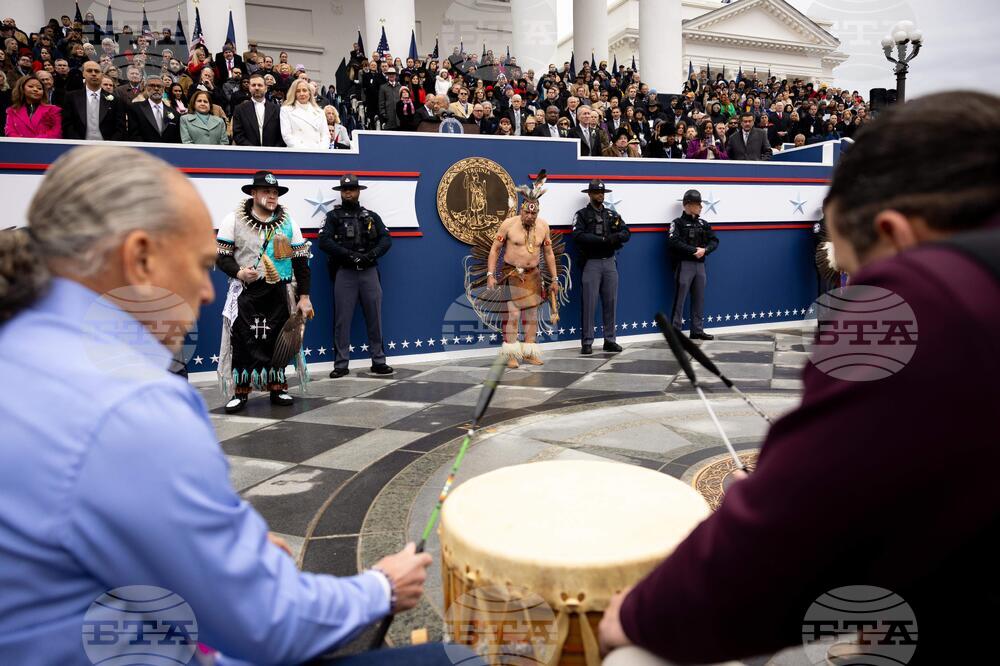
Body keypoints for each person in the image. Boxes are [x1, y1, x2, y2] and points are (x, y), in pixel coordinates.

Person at [0, 145, 478, 666]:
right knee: (455, 659)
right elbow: (268, 625)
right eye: (200, 265)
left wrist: (220, 551)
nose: (206, 294)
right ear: (139, 258)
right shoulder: (133, 404)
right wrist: (381, 588)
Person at [599, 91, 1000, 666]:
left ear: (896, 234)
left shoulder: (920, 300)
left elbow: (773, 557)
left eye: (858, 269)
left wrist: (637, 614)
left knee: (635, 658)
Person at [215, 171, 313, 413]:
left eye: (275, 192)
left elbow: (301, 262)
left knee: (278, 340)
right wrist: (238, 273)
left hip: (280, 292)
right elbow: (221, 257)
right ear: (253, 193)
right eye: (267, 192)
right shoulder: (234, 219)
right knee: (243, 341)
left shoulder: (289, 222)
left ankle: (278, 387)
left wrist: (304, 297)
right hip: (246, 293)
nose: (272, 196)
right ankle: (240, 392)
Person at [480, 174, 564, 368]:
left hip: (533, 274)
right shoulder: (508, 225)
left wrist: (554, 278)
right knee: (514, 315)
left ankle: (529, 352)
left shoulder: (543, 226)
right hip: (512, 274)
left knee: (533, 315)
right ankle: (510, 353)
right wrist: (490, 275)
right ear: (522, 209)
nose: (530, 217)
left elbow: (549, 253)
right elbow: (494, 250)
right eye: (527, 213)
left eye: (534, 214)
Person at [318, 174, 394, 378]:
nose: (348, 192)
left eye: (351, 189)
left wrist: (370, 256)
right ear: (341, 192)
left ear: (358, 191)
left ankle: (379, 361)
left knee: (375, 317)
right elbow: (324, 241)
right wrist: (350, 256)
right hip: (345, 272)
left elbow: (386, 240)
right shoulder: (333, 217)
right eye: (345, 190)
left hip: (369, 271)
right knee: (342, 319)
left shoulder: (372, 215)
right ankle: (341, 364)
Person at [572, 180, 630, 355]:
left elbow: (626, 232)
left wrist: (615, 238)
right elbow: (578, 235)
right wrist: (602, 240)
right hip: (592, 262)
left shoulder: (612, 214)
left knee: (610, 302)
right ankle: (587, 342)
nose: (600, 195)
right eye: (597, 192)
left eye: (602, 192)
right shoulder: (581, 214)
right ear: (589, 194)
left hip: (610, 262)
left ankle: (609, 340)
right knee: (589, 303)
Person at [668, 189, 719, 340]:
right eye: (698, 204)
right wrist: (693, 251)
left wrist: (705, 250)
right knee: (680, 298)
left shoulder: (703, 224)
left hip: (700, 266)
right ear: (688, 205)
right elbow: (673, 242)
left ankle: (697, 330)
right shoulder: (677, 223)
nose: (701, 207)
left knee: (699, 298)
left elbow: (715, 241)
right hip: (684, 264)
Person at [62, 60, 125, 140]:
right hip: (79, 146)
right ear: (83, 74)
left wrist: (109, 145)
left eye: (97, 71)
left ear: (102, 75)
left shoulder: (116, 100)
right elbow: (67, 125)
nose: (93, 73)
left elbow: (120, 128)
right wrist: (78, 144)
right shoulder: (71, 97)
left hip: (108, 147)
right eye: (89, 71)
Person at [232, 72, 284, 147]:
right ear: (249, 88)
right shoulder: (239, 109)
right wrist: (254, 151)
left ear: (266, 88)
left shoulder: (277, 109)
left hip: (272, 154)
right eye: (253, 85)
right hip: (249, 154)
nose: (256, 88)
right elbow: (238, 135)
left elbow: (282, 134)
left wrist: (273, 151)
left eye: (260, 85)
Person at [4, 72, 61, 138]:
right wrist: (23, 143)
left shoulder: (53, 110)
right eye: (31, 86)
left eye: (39, 88)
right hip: (19, 147)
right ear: (21, 89)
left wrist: (35, 142)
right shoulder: (11, 111)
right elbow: (9, 130)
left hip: (44, 147)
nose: (35, 89)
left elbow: (56, 132)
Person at [126, 76, 181, 143]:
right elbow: (134, 135)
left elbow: (176, 138)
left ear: (163, 89)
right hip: (144, 151)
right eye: (151, 85)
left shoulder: (175, 114)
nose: (156, 88)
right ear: (145, 88)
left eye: (159, 86)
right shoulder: (136, 108)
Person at [280, 77, 326, 148]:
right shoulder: (286, 110)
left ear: (310, 93)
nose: (301, 94)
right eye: (298, 91)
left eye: (304, 90)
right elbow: (287, 135)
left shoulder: (319, 111)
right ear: (294, 94)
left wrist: (321, 150)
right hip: (297, 153)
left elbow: (325, 135)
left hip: (317, 153)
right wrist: (302, 151)